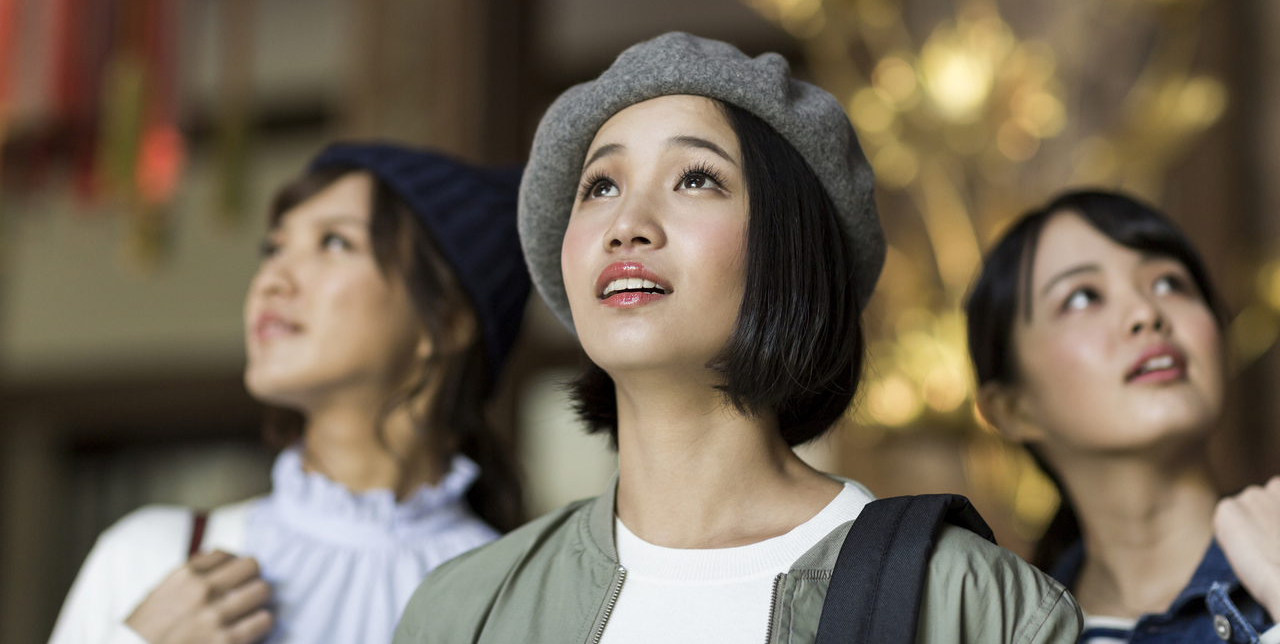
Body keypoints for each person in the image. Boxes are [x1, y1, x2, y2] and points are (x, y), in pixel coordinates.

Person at [393, 32, 1081, 644]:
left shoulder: (973, 604)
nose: (627, 223)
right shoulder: (464, 611)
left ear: (791, 248)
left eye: (696, 179)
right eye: (599, 186)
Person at [49, 143, 532, 644]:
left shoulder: (521, 607)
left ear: (449, 322)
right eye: (274, 249)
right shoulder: (156, 558)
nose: (272, 281)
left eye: (335, 243)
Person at [966, 189, 1280, 643]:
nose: (1146, 313)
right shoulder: (1004, 630)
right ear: (1012, 409)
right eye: (1082, 298)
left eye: (1170, 283)